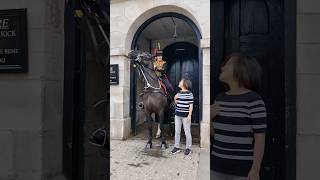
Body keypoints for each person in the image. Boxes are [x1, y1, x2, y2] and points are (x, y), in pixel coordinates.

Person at [211, 53, 266, 180]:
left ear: (241, 69)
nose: (222, 68)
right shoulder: (220, 98)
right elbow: (217, 135)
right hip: (216, 167)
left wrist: (255, 170)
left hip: (242, 171)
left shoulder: (254, 100)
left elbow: (260, 139)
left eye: (227, 64)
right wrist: (208, 117)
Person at [153, 50, 174, 138]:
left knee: (171, 88)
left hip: (162, 78)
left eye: (161, 56)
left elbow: (164, 71)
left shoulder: (164, 63)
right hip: (154, 79)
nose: (159, 57)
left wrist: (156, 68)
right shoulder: (153, 62)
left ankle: (172, 102)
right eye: (158, 56)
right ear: (156, 57)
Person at [171, 78, 194, 156]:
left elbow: (191, 105)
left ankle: (188, 148)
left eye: (180, 81)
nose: (179, 82)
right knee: (177, 131)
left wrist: (189, 115)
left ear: (184, 84)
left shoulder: (189, 93)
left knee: (187, 132)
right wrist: (175, 98)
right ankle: (176, 147)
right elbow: (176, 102)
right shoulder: (179, 92)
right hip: (177, 115)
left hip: (185, 116)